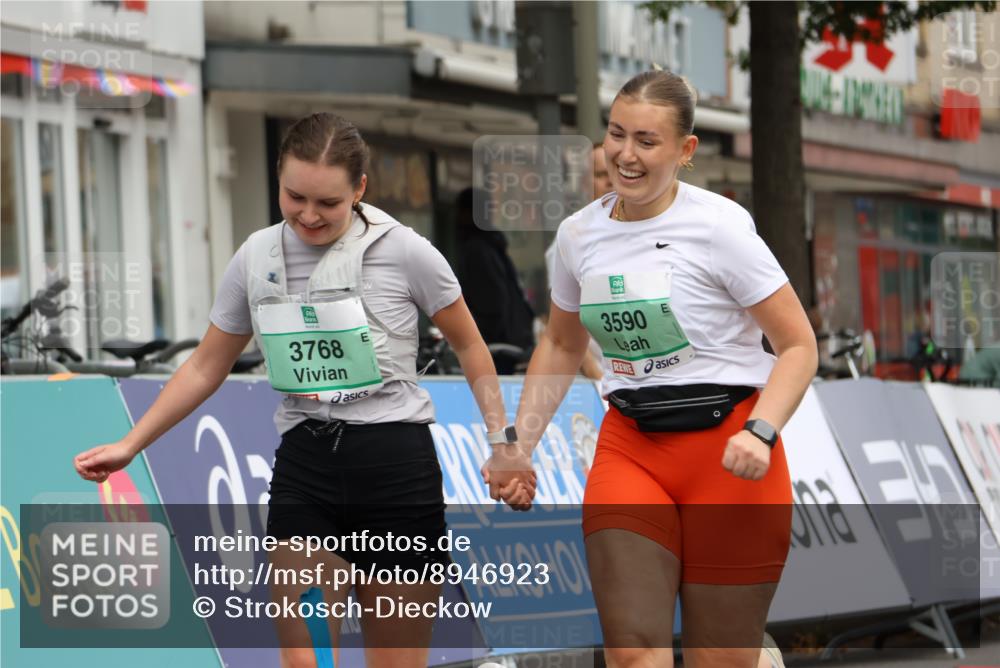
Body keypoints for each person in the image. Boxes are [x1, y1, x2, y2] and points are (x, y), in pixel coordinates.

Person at [74, 113, 535, 668]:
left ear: (359, 190)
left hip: (395, 473)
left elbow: (471, 347)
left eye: (329, 204)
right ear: (277, 178)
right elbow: (205, 365)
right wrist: (132, 443)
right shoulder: (255, 257)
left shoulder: (407, 251)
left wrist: (503, 443)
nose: (309, 216)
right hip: (307, 469)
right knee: (306, 661)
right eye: (295, 197)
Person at [507, 71, 817, 667]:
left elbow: (799, 346)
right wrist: (521, 444)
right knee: (632, 654)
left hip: (730, 450)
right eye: (616, 134)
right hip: (631, 446)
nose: (626, 154)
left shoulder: (721, 227)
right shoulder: (579, 235)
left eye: (647, 141)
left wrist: (763, 431)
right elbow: (563, 344)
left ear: (685, 150)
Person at [543, 141, 614, 383]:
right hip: (602, 384)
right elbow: (562, 330)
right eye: (601, 174)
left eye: (615, 170)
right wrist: (598, 379)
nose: (611, 181)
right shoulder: (572, 239)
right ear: (585, 183)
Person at [454, 187, 536, 373]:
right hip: (512, 342)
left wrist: (476, 341)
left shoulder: (478, 250)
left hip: (498, 348)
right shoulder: (492, 245)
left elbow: (492, 303)